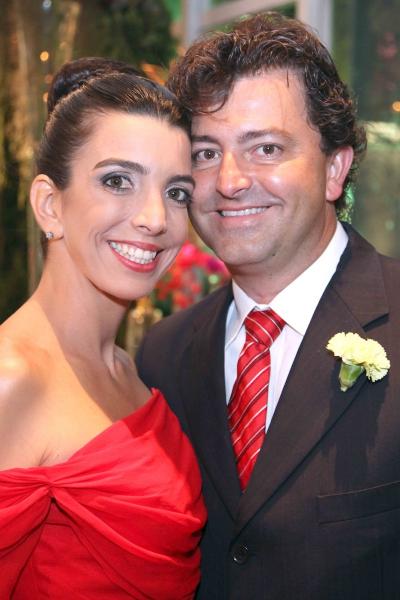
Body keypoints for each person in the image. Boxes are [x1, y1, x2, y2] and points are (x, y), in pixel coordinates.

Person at [136, 12, 400, 600]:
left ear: (335, 169)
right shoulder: (163, 356)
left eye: (266, 148)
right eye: (206, 154)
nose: (230, 180)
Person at [0, 57, 206, 599]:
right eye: (118, 181)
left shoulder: (129, 370)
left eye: (176, 192)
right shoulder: (12, 380)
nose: (155, 218)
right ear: (50, 205)